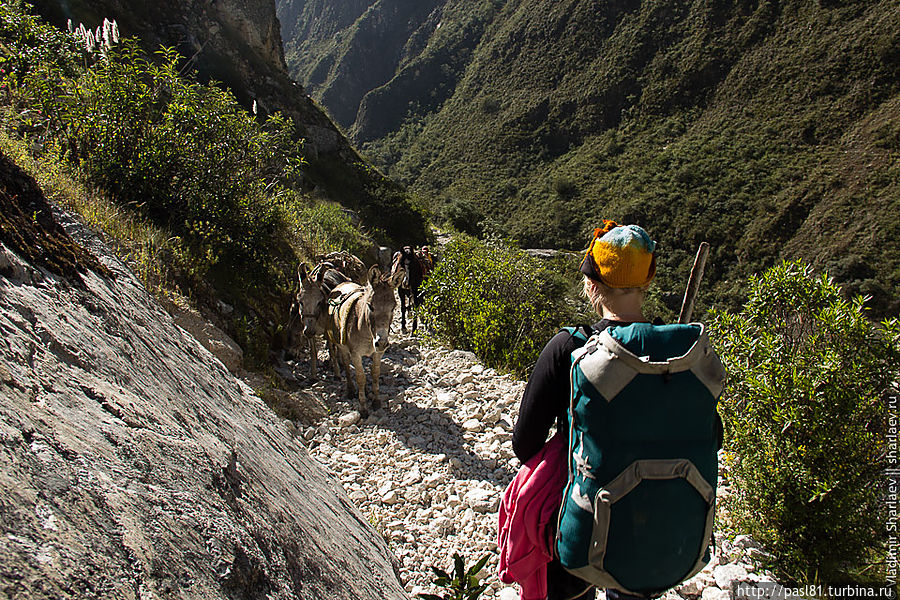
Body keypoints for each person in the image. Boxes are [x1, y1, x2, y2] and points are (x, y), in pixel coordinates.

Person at [511, 220, 658, 600]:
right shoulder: (675, 354)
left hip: (585, 524)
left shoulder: (569, 348)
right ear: (648, 280)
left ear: (591, 283)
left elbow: (525, 444)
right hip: (652, 528)